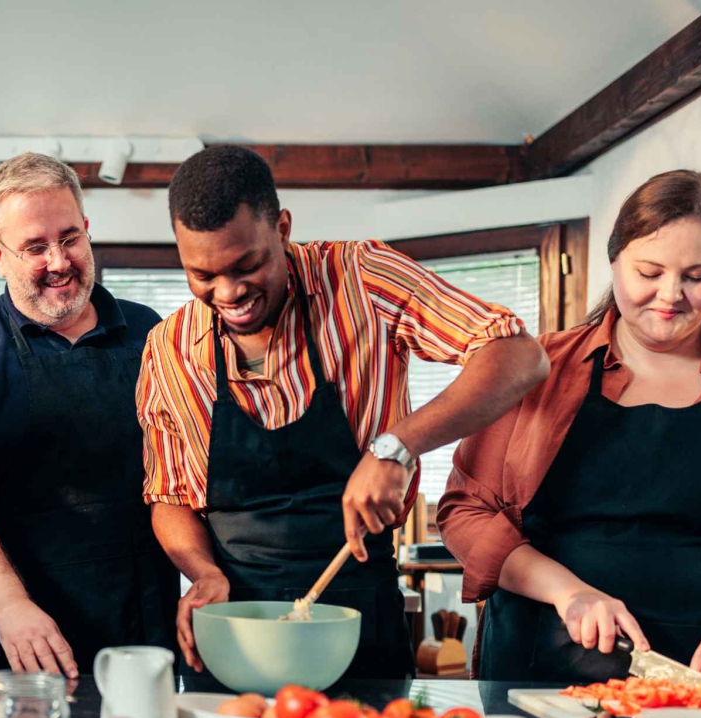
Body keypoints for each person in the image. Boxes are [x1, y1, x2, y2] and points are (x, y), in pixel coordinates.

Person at [138, 145, 548, 687]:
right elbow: (169, 495)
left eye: (247, 265)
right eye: (203, 274)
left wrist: (397, 446)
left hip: (359, 621)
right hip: (235, 631)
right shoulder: (168, 348)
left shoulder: (361, 278)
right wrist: (201, 572)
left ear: (282, 228)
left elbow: (520, 355)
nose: (229, 292)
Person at [439, 170, 701, 688]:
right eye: (649, 271)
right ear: (614, 259)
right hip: (546, 673)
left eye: (698, 276)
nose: (670, 295)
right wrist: (568, 592)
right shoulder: (535, 371)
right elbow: (466, 511)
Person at [0, 153, 180, 677]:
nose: (58, 260)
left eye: (69, 238)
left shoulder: (152, 335)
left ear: (88, 232)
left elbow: (182, 474)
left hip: (138, 635)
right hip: (9, 639)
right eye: (33, 247)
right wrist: (10, 608)